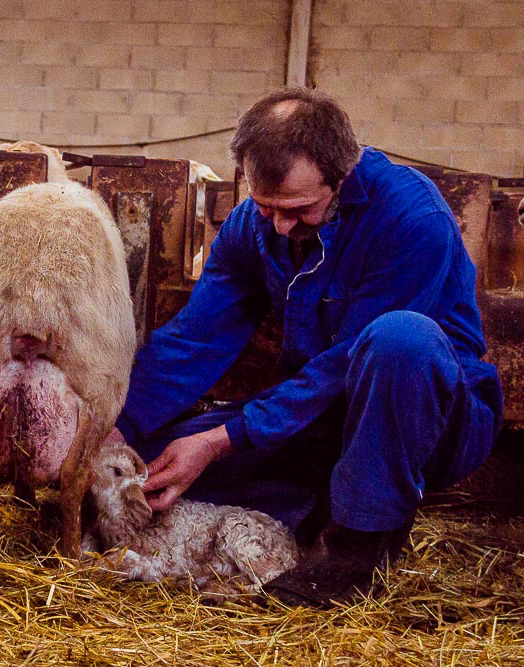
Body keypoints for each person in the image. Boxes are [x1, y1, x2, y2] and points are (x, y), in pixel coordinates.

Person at [108, 87, 502, 607]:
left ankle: (354, 553)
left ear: (342, 175)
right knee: (154, 465)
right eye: (264, 205)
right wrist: (118, 428)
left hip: (425, 418)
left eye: (299, 209)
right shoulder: (257, 227)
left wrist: (224, 438)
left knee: (398, 338)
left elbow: (343, 365)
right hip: (319, 415)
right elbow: (196, 337)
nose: (280, 225)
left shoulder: (412, 217)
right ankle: (323, 501)